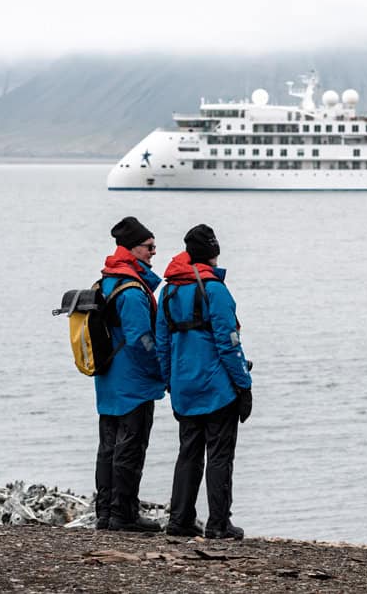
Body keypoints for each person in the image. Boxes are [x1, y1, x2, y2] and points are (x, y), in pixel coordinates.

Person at [156, 224, 253, 539]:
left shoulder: (168, 291)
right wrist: (244, 384)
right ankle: (218, 523)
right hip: (217, 389)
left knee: (188, 453)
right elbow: (229, 343)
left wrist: (170, 381)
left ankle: (180, 520)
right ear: (214, 253)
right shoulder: (215, 290)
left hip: (184, 388)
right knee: (220, 454)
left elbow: (162, 344)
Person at [94, 216, 166, 532]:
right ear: (133, 249)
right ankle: (124, 514)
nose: (153, 253)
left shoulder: (104, 282)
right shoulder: (133, 290)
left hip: (107, 378)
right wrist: (161, 371)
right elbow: (141, 340)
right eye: (149, 247)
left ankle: (105, 513)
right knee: (130, 447)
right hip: (133, 383)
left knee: (108, 447)